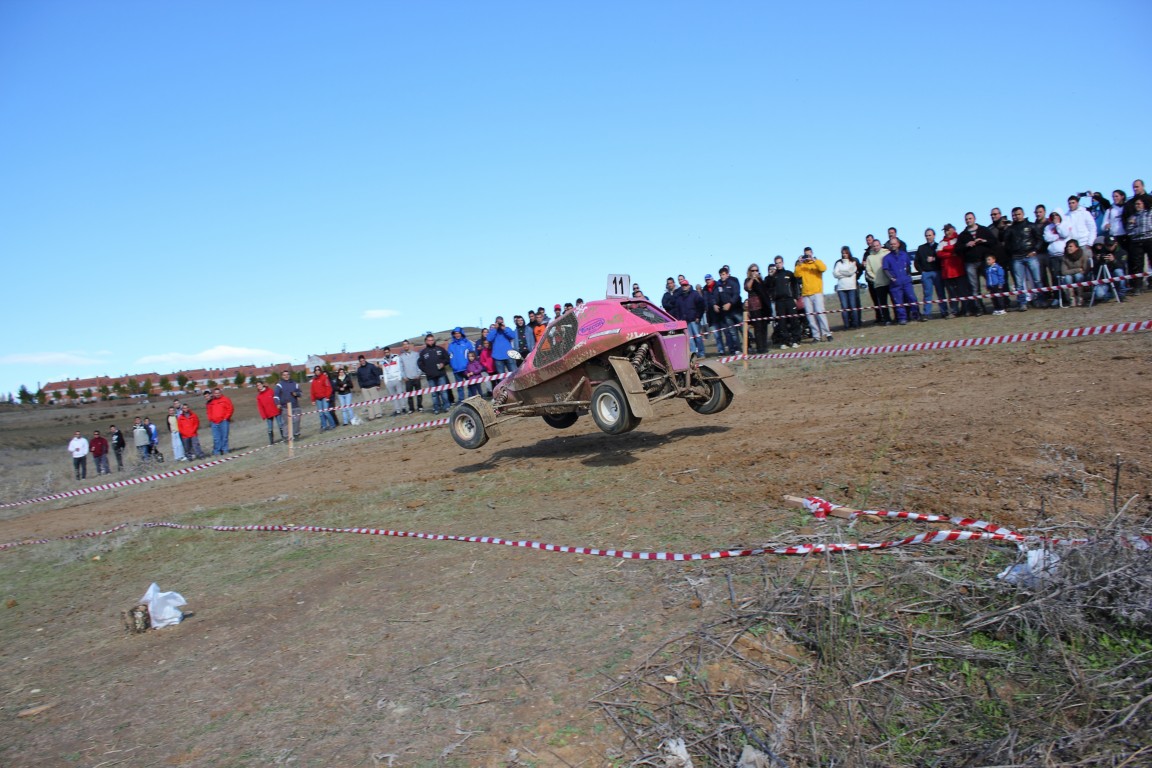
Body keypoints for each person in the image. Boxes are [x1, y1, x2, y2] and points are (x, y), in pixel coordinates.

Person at [957, 211, 997, 316]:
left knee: (992, 284)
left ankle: (997, 305)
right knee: (974, 288)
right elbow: (957, 249)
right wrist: (966, 245)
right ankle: (979, 308)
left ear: (974, 219)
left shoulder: (984, 230)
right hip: (970, 263)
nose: (968, 220)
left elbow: (993, 242)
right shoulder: (963, 235)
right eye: (966, 219)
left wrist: (983, 241)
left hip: (984, 261)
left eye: (970, 218)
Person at [1004, 207, 1042, 311]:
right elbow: (1006, 243)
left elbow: (1039, 239)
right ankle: (1022, 302)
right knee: (1019, 283)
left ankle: (1040, 300)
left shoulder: (1031, 226)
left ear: (1023, 214)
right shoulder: (1010, 229)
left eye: (1018, 214)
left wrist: (1035, 250)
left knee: (1037, 279)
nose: (1016, 216)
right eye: (1014, 215)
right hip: (1017, 258)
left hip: (1031, 255)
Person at [795, 248, 832, 340]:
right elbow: (796, 275)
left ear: (812, 253)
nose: (807, 256)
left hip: (817, 292)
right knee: (810, 316)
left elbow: (823, 268)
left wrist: (814, 260)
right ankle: (816, 336)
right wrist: (799, 263)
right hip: (806, 294)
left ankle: (827, 333)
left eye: (809, 254)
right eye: (805, 255)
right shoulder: (802, 265)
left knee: (820, 314)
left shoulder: (817, 263)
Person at [882, 239, 921, 324]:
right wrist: (892, 278)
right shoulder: (887, 258)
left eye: (894, 244)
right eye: (891, 244)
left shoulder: (904, 254)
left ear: (898, 244)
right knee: (898, 301)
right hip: (895, 284)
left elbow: (908, 265)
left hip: (906, 281)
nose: (893, 245)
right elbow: (885, 269)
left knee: (912, 298)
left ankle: (915, 315)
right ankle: (902, 318)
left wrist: (908, 274)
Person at [767, 257, 802, 348]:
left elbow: (795, 285)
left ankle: (796, 340)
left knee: (794, 320)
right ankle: (785, 341)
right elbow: (769, 287)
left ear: (783, 263)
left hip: (789, 300)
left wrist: (795, 297)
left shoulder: (789, 274)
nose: (778, 264)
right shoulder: (773, 276)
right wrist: (771, 276)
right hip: (779, 302)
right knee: (782, 322)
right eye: (776, 263)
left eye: (779, 262)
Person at [671, 277, 707, 357]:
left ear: (688, 285)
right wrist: (679, 320)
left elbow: (701, 305)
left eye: (685, 285)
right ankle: (694, 355)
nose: (684, 286)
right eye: (683, 285)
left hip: (694, 320)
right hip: (685, 322)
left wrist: (698, 316)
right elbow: (677, 309)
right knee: (690, 340)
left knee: (698, 337)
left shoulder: (694, 294)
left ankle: (701, 353)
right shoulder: (679, 297)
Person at [417, 333, 452, 414]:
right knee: (434, 394)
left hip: (441, 375)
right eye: (429, 340)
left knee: (443, 391)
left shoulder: (440, 349)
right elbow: (419, 363)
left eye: (432, 340)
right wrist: (426, 370)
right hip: (430, 377)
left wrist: (443, 363)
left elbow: (447, 358)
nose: (431, 342)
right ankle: (436, 408)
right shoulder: (423, 352)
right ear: (426, 341)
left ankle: (446, 406)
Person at [937, 224, 966, 317]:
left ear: (953, 229)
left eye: (948, 230)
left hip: (958, 270)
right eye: (945, 230)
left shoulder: (958, 239)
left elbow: (958, 250)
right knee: (952, 294)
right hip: (947, 272)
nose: (946, 232)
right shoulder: (941, 242)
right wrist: (950, 254)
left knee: (962, 292)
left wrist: (947, 251)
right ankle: (954, 311)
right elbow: (939, 254)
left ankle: (965, 309)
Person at [1125, 196, 1152, 295]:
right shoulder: (1132, 217)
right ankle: (1138, 287)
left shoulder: (1149, 213)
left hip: (1149, 239)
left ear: (1144, 204)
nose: (1137, 206)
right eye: (1136, 204)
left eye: (1139, 204)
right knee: (1138, 265)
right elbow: (1129, 230)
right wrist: (1132, 225)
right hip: (1136, 241)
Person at [914, 230, 944, 319]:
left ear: (934, 236)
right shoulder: (921, 248)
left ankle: (944, 311)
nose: (928, 237)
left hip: (937, 272)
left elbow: (942, 258)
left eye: (930, 235)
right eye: (926, 235)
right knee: (927, 294)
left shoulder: (938, 246)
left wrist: (934, 259)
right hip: (926, 274)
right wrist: (921, 271)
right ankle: (927, 313)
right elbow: (917, 262)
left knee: (941, 293)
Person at [714, 265, 743, 354]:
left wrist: (730, 303)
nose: (722, 276)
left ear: (727, 274)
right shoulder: (718, 286)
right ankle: (738, 349)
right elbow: (715, 296)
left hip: (736, 310)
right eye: (721, 275)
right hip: (726, 313)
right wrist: (714, 304)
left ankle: (748, 346)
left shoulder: (733, 283)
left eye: (723, 274)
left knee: (742, 328)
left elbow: (736, 294)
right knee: (732, 332)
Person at [1044, 212, 1071, 305]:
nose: (1055, 217)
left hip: (1063, 254)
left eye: (1056, 215)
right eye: (1053, 216)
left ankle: (1068, 297)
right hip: (1053, 255)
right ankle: (1057, 297)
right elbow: (1047, 238)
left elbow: (1064, 234)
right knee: (1055, 277)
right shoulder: (1048, 227)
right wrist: (1056, 236)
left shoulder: (1064, 225)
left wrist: (1058, 225)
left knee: (1064, 276)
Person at [743, 264, 771, 353]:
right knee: (758, 327)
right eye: (753, 270)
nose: (755, 272)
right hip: (754, 307)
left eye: (756, 270)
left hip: (764, 306)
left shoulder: (761, 280)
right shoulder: (747, 280)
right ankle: (760, 348)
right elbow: (748, 288)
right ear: (749, 271)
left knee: (764, 327)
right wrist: (752, 278)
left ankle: (764, 346)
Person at [864, 239, 893, 325]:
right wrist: (875, 278)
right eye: (874, 246)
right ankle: (887, 319)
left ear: (880, 245)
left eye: (877, 245)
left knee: (894, 301)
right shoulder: (869, 257)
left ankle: (898, 317)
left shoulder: (887, 253)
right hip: (879, 284)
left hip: (889, 281)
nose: (876, 247)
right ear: (872, 247)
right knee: (883, 304)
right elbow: (868, 270)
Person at [833, 247, 863, 329]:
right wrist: (845, 273)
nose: (844, 255)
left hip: (851, 287)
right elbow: (835, 274)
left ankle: (856, 324)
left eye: (846, 253)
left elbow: (850, 272)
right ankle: (846, 325)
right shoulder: (838, 263)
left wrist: (841, 273)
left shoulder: (853, 262)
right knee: (844, 307)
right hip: (841, 288)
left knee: (853, 306)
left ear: (849, 253)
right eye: (843, 253)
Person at [700, 274, 727, 355]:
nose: (707, 281)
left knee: (727, 332)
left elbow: (722, 297)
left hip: (721, 313)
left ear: (712, 279)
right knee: (717, 335)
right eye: (706, 280)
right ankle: (721, 350)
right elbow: (705, 301)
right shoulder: (704, 289)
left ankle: (733, 349)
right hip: (712, 315)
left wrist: (716, 304)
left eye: (709, 279)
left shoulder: (718, 285)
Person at [273, 370, 304, 439]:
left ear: (289, 375)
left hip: (295, 406)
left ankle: (296, 435)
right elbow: (276, 396)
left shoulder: (295, 384)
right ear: (282, 376)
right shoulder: (279, 385)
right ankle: (286, 437)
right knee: (287, 423)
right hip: (285, 407)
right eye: (284, 375)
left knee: (296, 421)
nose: (286, 376)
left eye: (287, 374)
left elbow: (301, 393)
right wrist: (277, 403)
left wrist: (296, 394)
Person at [448, 328, 475, 403]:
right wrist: (452, 365)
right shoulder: (451, 345)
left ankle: (471, 400)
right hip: (456, 370)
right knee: (459, 387)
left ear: (461, 333)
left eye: (458, 333)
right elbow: (450, 356)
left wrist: (471, 365)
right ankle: (461, 401)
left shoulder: (467, 343)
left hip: (467, 368)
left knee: (470, 385)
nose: (457, 335)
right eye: (455, 333)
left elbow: (472, 354)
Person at [205, 387, 235, 454]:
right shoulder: (211, 401)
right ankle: (217, 451)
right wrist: (210, 419)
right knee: (216, 438)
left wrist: (226, 417)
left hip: (224, 421)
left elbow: (230, 409)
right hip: (214, 422)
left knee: (224, 437)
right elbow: (208, 411)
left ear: (221, 393)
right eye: (216, 393)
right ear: (213, 394)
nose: (217, 394)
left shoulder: (226, 399)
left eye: (218, 393)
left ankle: (225, 450)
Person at [354, 354, 383, 421]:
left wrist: (378, 384)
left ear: (365, 360)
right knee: (368, 403)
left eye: (363, 360)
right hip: (364, 388)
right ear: (359, 362)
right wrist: (361, 387)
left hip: (373, 386)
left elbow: (376, 375)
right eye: (361, 361)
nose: (362, 362)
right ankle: (371, 416)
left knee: (375, 401)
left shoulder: (371, 366)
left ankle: (378, 414)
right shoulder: (359, 370)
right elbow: (359, 379)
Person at [1061, 239, 1089, 307]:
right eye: (1067, 246)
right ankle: (1072, 299)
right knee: (1067, 278)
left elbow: (1085, 269)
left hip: (1081, 276)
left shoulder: (1083, 255)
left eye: (1071, 246)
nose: (1068, 248)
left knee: (1078, 276)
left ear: (1076, 247)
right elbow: (1064, 271)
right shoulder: (1065, 258)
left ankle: (1080, 298)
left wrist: (1079, 271)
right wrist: (1078, 270)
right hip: (1070, 275)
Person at [380, 345, 407, 416]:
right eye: (385, 352)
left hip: (397, 379)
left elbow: (400, 367)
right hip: (389, 381)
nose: (386, 353)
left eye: (387, 352)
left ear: (390, 351)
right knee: (393, 396)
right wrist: (386, 382)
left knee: (400, 394)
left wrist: (399, 377)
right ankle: (397, 410)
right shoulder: (383, 361)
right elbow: (384, 372)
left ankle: (403, 408)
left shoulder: (396, 357)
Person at [398, 340, 424, 413]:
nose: (405, 346)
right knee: (409, 395)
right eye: (404, 345)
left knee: (419, 393)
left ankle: (420, 407)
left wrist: (419, 374)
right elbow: (401, 368)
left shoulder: (416, 354)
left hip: (416, 377)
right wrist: (404, 377)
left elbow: (419, 365)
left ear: (409, 345)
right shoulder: (401, 357)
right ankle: (411, 408)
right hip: (408, 379)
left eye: (406, 344)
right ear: (403, 346)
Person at [310, 366, 336, 431]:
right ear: (314, 371)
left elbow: (328, 387)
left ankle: (332, 424)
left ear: (320, 370)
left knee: (326, 412)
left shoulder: (324, 378)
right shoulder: (314, 380)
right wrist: (313, 400)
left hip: (324, 398)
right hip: (318, 399)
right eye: (316, 370)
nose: (317, 371)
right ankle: (324, 426)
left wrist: (327, 397)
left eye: (318, 370)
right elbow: (312, 390)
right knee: (321, 414)